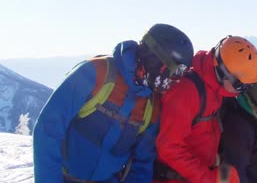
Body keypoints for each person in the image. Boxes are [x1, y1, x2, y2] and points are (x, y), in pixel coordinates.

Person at [33, 23, 194, 183]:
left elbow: (142, 163)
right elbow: (48, 130)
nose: (175, 80)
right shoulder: (95, 73)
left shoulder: (152, 106)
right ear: (154, 59)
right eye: (176, 71)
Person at [153, 35, 257, 183]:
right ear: (223, 73)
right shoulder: (186, 92)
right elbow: (169, 148)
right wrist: (208, 178)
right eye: (241, 86)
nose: (243, 91)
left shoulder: (214, 88)